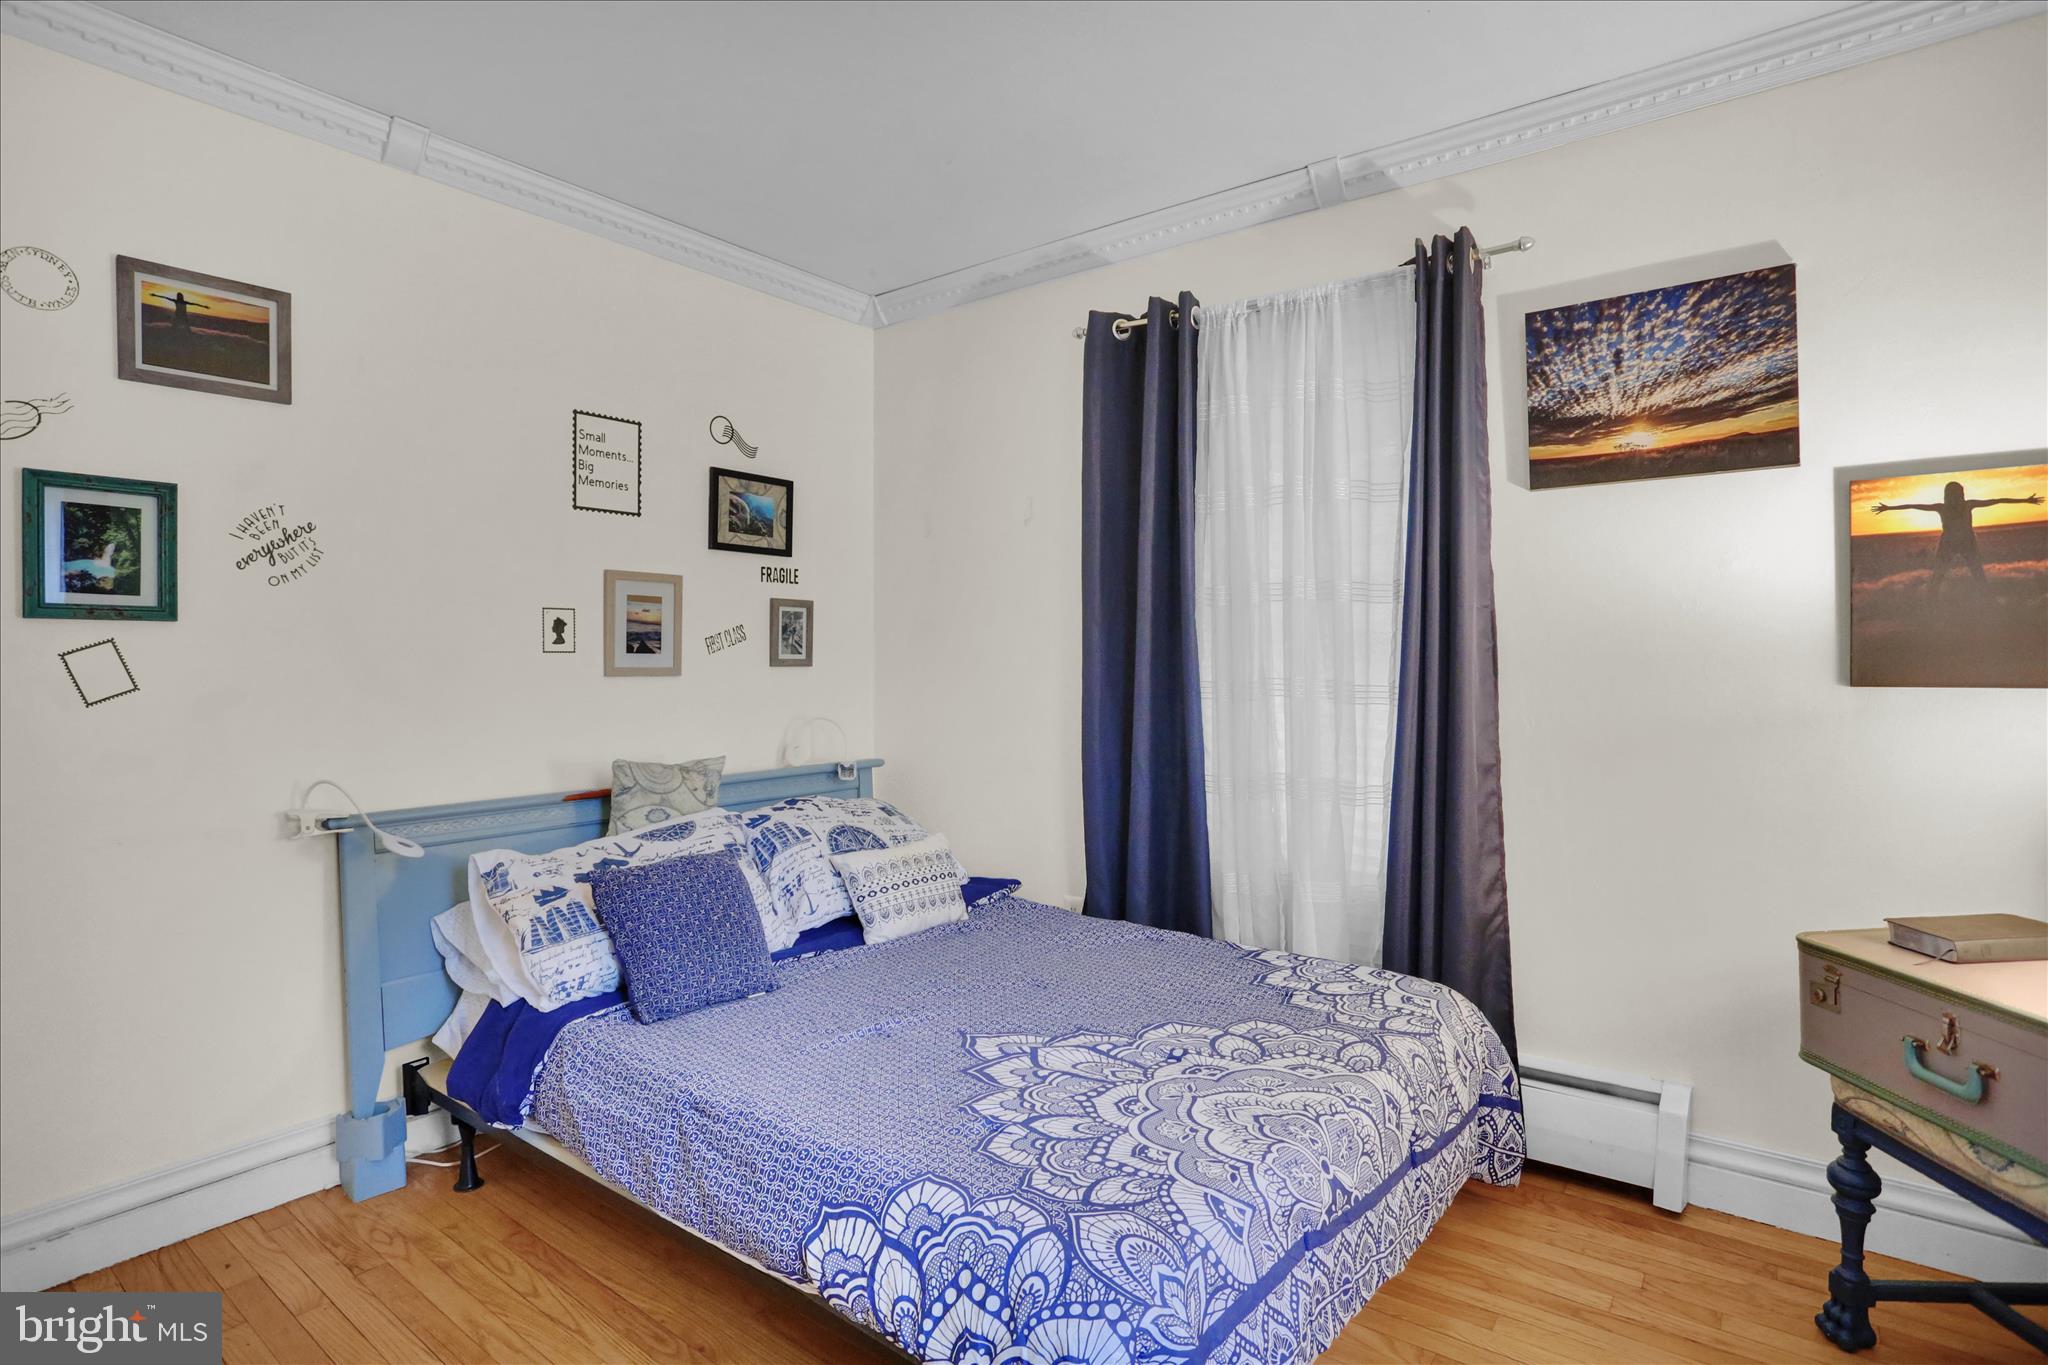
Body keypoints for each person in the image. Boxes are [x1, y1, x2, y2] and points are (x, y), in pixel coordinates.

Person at [1870, 481, 2043, 597]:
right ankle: (1930, 606)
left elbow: (1997, 500)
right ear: (1949, 494)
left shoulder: (1968, 504)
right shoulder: (1942, 507)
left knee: (1978, 575)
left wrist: (2025, 500)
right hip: (1949, 544)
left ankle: (1988, 603)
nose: (1956, 496)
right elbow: (1914, 506)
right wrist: (1889, 508)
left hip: (1968, 543)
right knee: (1938, 577)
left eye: (1958, 493)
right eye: (1953, 493)